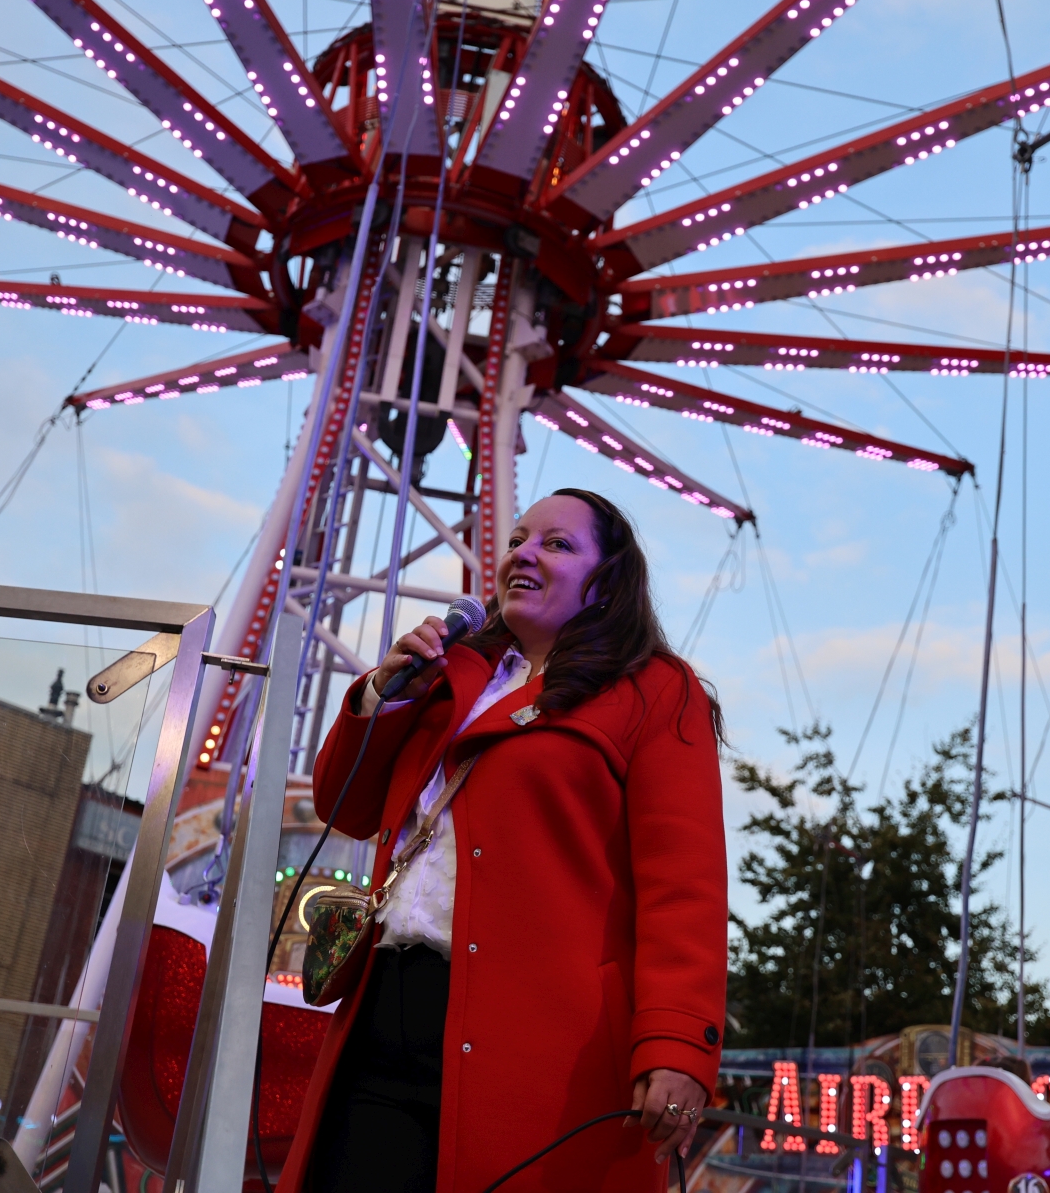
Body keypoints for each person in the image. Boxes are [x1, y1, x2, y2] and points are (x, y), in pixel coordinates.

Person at [280, 489, 728, 1193]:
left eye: (557, 544)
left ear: (607, 581)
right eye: (518, 539)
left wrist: (677, 1045)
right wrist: (383, 695)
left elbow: (686, 889)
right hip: (385, 1005)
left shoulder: (654, 691)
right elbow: (347, 804)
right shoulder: (454, 674)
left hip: (541, 1036)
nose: (523, 552)